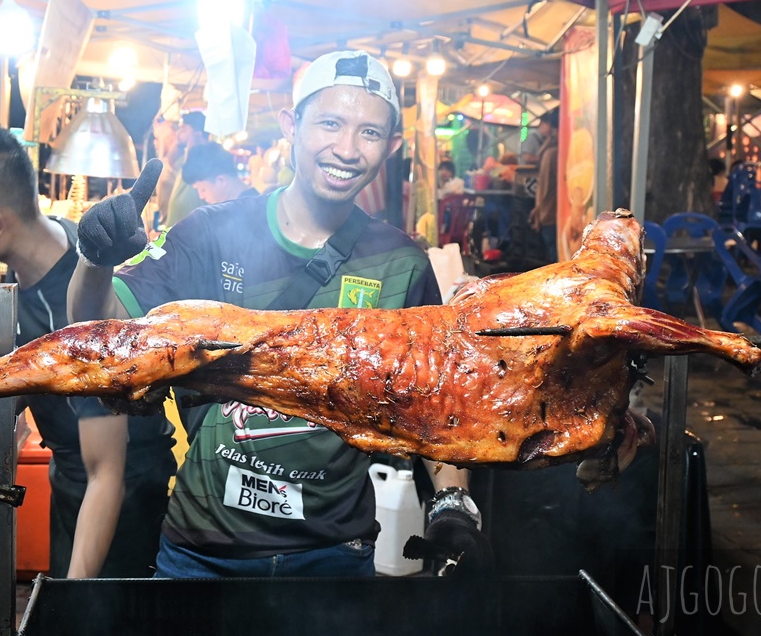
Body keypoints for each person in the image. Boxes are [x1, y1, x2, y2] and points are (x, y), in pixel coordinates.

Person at [69, 50, 490, 578]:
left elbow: (435, 403)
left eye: (369, 133)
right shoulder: (209, 235)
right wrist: (95, 261)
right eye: (330, 124)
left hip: (334, 556)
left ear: (392, 147)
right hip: (203, 554)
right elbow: (96, 331)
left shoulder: (400, 264)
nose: (346, 149)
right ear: (292, 126)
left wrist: (453, 507)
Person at [0, 122, 176, 578]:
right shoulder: (50, 249)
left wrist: (72, 600)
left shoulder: (79, 303)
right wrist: (17, 399)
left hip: (118, 502)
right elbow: (46, 359)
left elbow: (108, 474)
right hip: (77, 477)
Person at [163, 111, 208, 226]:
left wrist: (192, 140)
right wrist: (179, 141)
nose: (178, 133)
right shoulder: (186, 156)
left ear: (197, 133)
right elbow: (171, 161)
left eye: (183, 129)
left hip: (193, 231)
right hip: (177, 229)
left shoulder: (207, 156)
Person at [528, 108, 559, 263]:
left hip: (550, 215)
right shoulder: (551, 152)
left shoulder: (551, 153)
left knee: (554, 260)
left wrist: (539, 210)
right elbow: (545, 187)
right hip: (550, 214)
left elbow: (545, 188)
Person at [181, 142, 256, 204]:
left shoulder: (246, 213)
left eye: (203, 190)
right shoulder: (255, 201)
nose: (201, 196)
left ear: (221, 180)